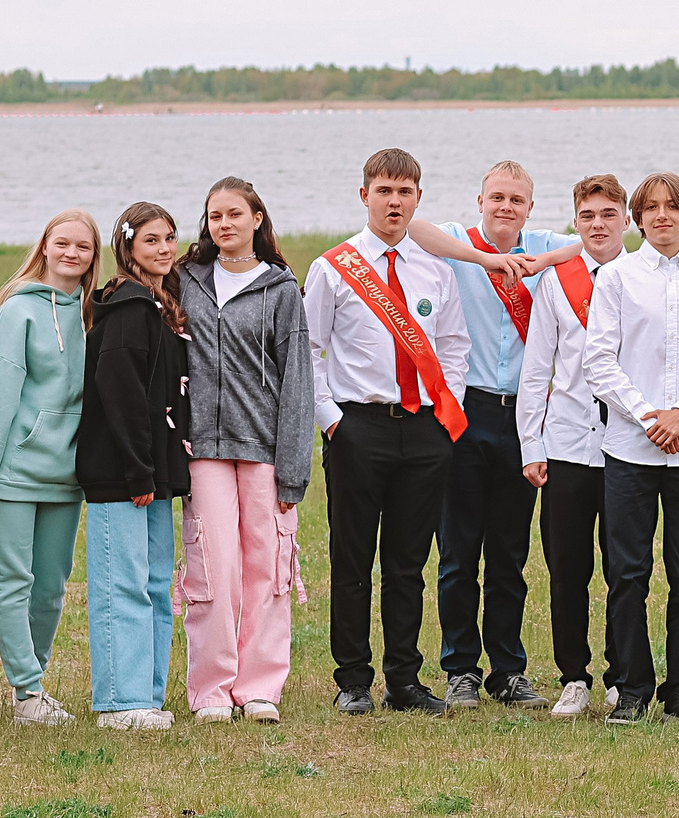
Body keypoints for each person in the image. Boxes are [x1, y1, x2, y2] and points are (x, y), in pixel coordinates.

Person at [307, 148, 472, 716]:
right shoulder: (333, 267)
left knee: (408, 563)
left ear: (419, 199)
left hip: (424, 433)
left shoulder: (436, 270)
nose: (394, 201)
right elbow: (310, 351)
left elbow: (453, 348)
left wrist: (446, 420)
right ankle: (353, 680)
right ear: (364, 196)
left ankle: (405, 680)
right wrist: (333, 422)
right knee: (352, 561)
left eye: (405, 192)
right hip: (359, 429)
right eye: (384, 191)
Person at [581, 171, 679, 724]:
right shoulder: (618, 278)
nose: (662, 216)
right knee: (627, 572)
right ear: (637, 218)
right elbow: (599, 361)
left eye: (673, 207)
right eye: (651, 208)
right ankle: (631, 688)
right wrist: (650, 417)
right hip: (630, 448)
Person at [420, 161, 573, 709]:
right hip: (468, 409)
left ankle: (508, 669)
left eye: (517, 200)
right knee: (458, 551)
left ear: (531, 207)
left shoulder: (541, 244)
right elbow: (414, 226)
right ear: (479, 200)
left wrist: (540, 262)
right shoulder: (461, 242)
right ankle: (460, 667)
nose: (506, 208)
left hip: (525, 416)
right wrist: (487, 259)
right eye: (497, 198)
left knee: (509, 552)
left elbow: (594, 239)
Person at [178, 178, 315, 724]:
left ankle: (259, 687)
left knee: (269, 566)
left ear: (258, 218)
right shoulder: (186, 279)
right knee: (214, 569)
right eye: (215, 216)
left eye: (235, 213)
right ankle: (211, 689)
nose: (225, 224)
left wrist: (293, 470)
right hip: (204, 450)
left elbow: (298, 382)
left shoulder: (281, 288)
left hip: (263, 450)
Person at [0, 208, 100, 727]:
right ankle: (28, 690)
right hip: (15, 474)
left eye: (82, 247)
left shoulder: (93, 314)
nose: (71, 253)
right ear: (44, 247)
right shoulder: (16, 313)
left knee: (51, 585)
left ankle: (32, 690)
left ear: (93, 256)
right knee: (13, 581)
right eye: (62, 243)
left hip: (68, 475)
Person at [79, 202, 195, 729]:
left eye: (170, 238)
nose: (164, 249)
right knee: (120, 584)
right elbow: (120, 394)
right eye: (151, 240)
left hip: (152, 472)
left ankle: (147, 696)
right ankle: (119, 702)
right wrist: (138, 471)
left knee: (153, 584)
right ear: (128, 248)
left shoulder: (158, 306)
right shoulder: (127, 308)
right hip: (122, 474)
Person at [517, 174, 629, 716]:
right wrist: (530, 445)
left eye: (609, 214)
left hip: (630, 443)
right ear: (575, 223)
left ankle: (620, 672)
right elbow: (536, 370)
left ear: (625, 220)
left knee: (623, 565)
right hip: (566, 442)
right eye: (587, 216)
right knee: (567, 567)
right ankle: (574, 675)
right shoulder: (557, 283)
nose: (598, 225)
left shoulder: (642, 276)